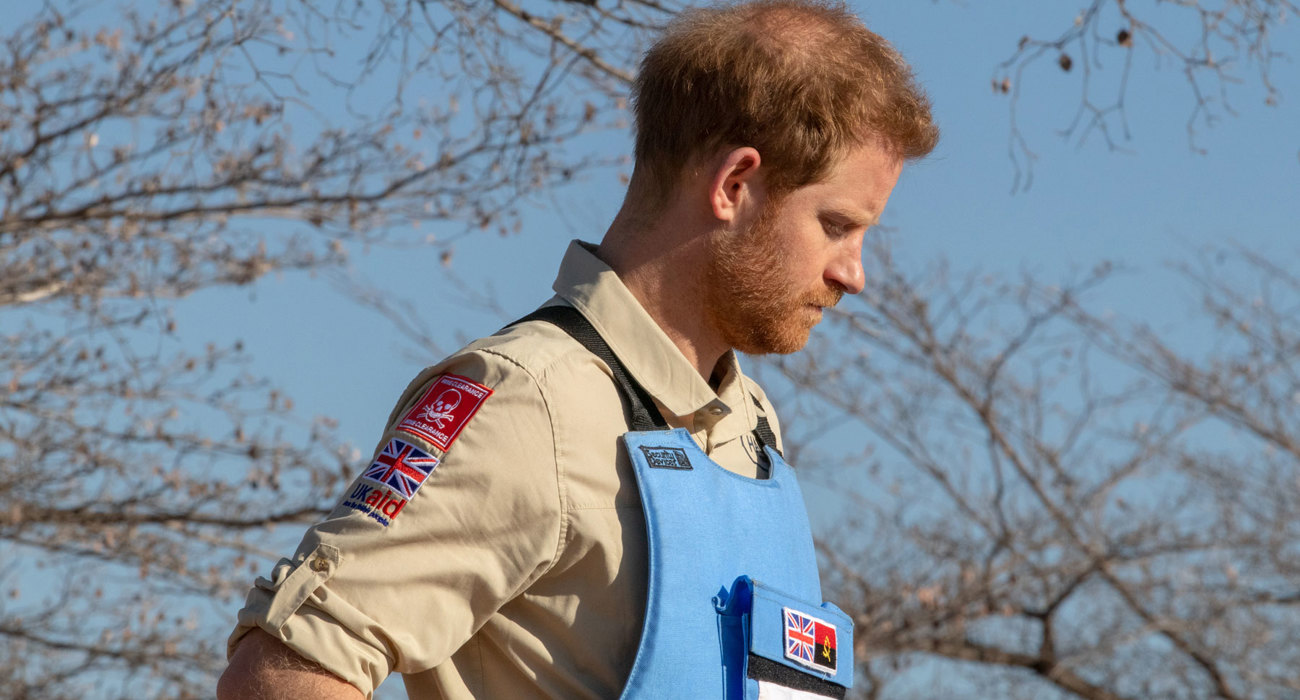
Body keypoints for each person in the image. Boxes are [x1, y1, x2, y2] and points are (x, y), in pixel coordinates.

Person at [217, 1, 937, 698]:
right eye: (836, 224)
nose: (854, 274)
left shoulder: (752, 428)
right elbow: (284, 673)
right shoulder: (530, 401)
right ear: (735, 184)